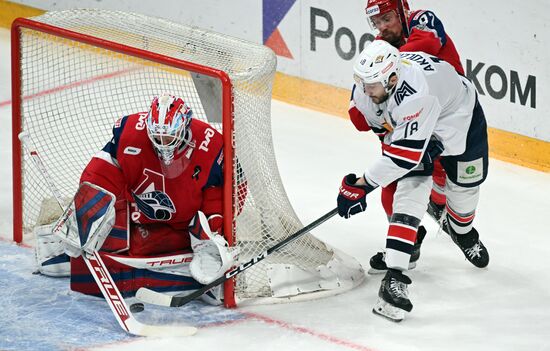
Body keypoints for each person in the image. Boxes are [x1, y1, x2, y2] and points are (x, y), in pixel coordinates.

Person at [337, 40, 489, 321]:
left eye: (372, 85)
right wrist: (371, 180)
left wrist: (362, 184)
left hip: (460, 121)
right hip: (419, 123)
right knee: (410, 188)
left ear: (393, 79)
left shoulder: (417, 94)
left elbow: (402, 158)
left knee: (464, 196)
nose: (365, 91)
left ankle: (463, 232)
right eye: (362, 82)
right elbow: (393, 146)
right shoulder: (368, 90)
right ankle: (396, 276)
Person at [34, 93, 233, 304]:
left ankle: (205, 250)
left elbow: (228, 190)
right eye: (157, 137)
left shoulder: (211, 144)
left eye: (169, 137)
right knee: (114, 233)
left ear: (184, 128)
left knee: (150, 250)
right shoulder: (131, 133)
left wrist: (213, 231)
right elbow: (102, 170)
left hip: (183, 225)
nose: (163, 144)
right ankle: (63, 240)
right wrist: (89, 207)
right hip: (139, 213)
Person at [349, 0, 467, 273]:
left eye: (387, 18)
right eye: (376, 23)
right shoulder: (381, 48)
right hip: (408, 120)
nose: (382, 27)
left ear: (402, 11)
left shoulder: (422, 20)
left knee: (443, 176)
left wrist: (384, 65)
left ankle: (449, 217)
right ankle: (409, 244)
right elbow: (360, 114)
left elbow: (425, 46)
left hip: (447, 119)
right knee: (390, 186)